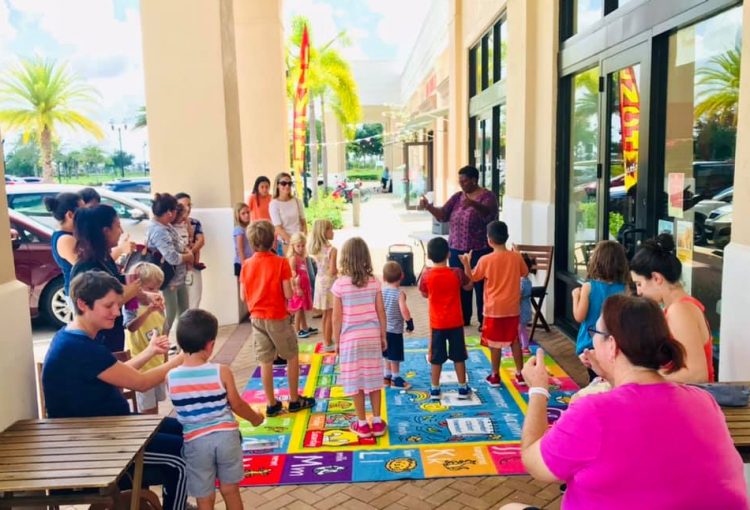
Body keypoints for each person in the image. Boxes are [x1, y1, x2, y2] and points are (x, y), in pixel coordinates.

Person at [513, 295, 747, 510]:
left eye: (595, 332)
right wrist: (612, 374)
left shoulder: (592, 413)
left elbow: (535, 463)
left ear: (612, 345)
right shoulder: (704, 402)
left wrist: (538, 389)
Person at [42, 271, 187, 510]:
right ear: (82, 304)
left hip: (109, 429)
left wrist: (149, 352)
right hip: (96, 447)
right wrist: (182, 358)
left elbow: (117, 373)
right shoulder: (79, 347)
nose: (116, 312)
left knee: (186, 433)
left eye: (117, 305)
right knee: (182, 456)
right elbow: (141, 383)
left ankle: (175, 501)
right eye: (108, 306)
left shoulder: (73, 337)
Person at [167, 309, 264, 510]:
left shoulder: (171, 377)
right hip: (227, 439)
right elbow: (237, 404)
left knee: (204, 498)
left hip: (195, 442)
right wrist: (256, 418)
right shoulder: (222, 372)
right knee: (230, 490)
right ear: (210, 345)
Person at [239, 220, 315, 416]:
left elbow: (242, 296)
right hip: (278, 317)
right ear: (273, 239)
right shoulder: (280, 262)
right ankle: (294, 399)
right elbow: (288, 294)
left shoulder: (246, 265)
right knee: (291, 356)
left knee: (265, 360)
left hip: (256, 319)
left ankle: (272, 404)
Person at [419, 165, 498, 330]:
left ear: (474, 180)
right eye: (460, 181)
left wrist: (473, 204)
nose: (461, 184)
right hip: (456, 249)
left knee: (479, 285)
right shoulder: (457, 197)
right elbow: (443, 216)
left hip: (479, 250)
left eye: (464, 181)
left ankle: (484, 319)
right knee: (460, 283)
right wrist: (429, 207)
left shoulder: (488, 197)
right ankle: (464, 317)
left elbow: (489, 215)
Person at [629, 233, 714, 383]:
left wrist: (644, 378)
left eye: (639, 284)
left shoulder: (680, 310)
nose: (639, 291)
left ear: (657, 278)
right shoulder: (677, 307)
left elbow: (697, 374)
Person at [460, 221, 528, 386]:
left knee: (494, 343)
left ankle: (495, 375)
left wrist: (466, 264)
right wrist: (517, 254)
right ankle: (520, 374)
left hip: (493, 309)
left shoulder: (485, 260)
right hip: (512, 308)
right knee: (514, 340)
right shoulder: (516, 257)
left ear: (489, 240)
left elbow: (472, 279)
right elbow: (525, 273)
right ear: (506, 237)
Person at [331, 237, 387, 439]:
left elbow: (336, 317)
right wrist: (383, 334)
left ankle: (362, 423)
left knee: (355, 380)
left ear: (344, 259)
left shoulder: (339, 285)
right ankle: (378, 421)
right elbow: (381, 311)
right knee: (373, 377)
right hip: (371, 336)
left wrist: (336, 341)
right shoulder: (374, 282)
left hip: (350, 340)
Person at [70, 204, 142, 352]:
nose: (121, 231)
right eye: (118, 226)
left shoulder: (104, 258)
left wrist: (145, 295)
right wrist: (132, 290)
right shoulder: (88, 266)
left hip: (113, 332)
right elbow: (106, 302)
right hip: (100, 339)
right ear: (105, 231)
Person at [418, 237, 473, 401]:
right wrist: (467, 264)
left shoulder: (427, 275)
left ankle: (435, 388)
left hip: (437, 324)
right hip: (455, 322)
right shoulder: (456, 273)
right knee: (459, 356)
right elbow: (469, 285)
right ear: (449, 254)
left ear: (429, 256)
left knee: (436, 358)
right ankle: (462, 387)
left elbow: (423, 293)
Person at [572, 240, 629, 377]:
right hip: (614, 343)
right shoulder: (625, 289)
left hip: (590, 343)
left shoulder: (589, 287)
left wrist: (575, 297)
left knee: (594, 380)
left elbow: (579, 316)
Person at [148, 193, 194, 337]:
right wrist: (188, 256)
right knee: (170, 315)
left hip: (178, 277)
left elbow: (180, 243)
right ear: (168, 213)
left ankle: (183, 348)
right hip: (168, 280)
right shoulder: (159, 231)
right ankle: (162, 347)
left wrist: (186, 251)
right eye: (174, 210)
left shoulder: (166, 226)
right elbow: (172, 257)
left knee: (184, 314)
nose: (176, 214)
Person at [124, 262, 167, 414]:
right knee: (147, 410)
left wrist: (166, 363)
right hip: (141, 366)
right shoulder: (132, 305)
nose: (155, 292)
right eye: (150, 289)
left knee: (155, 405)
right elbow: (130, 326)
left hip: (157, 363)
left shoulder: (159, 303)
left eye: (157, 288)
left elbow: (163, 329)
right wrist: (148, 311)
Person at [381, 261, 414, 389]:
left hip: (383, 330)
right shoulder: (400, 294)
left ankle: (386, 377)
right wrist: (409, 322)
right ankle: (395, 379)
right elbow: (403, 309)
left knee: (386, 354)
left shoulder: (382, 292)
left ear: (383, 278)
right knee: (395, 356)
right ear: (402, 276)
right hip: (395, 330)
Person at [44, 192, 83, 298]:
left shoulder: (71, 234)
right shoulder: (65, 239)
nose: (86, 214)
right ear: (70, 215)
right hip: (79, 293)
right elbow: (85, 267)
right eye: (83, 211)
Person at [309, 219, 337, 351]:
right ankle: (328, 342)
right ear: (323, 232)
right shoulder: (332, 250)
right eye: (330, 229)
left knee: (325, 314)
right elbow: (332, 271)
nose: (333, 231)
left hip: (319, 282)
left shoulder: (315, 249)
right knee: (331, 314)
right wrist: (340, 271)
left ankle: (326, 339)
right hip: (330, 284)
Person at [175, 192, 206, 307]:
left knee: (194, 301)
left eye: (189, 205)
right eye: (183, 205)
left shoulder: (194, 222)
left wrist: (189, 254)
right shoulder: (170, 224)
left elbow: (201, 241)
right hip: (176, 269)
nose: (187, 209)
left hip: (192, 266)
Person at [269, 172, 306, 256]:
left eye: (290, 183)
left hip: (300, 244)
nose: (287, 186)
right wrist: (293, 243)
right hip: (285, 243)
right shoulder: (274, 204)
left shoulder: (297, 201)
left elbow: (303, 222)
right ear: (277, 185)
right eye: (283, 183)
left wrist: (302, 240)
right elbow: (278, 228)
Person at [287, 232, 316, 338]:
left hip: (304, 287)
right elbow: (292, 274)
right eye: (298, 246)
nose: (300, 248)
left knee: (302, 308)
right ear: (293, 246)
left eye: (303, 245)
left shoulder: (302, 257)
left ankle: (305, 327)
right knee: (298, 309)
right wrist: (296, 287)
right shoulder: (293, 258)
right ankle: (297, 329)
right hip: (298, 288)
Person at [519, 253, 535, 355]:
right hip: (524, 308)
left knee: (520, 329)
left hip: (521, 310)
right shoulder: (526, 280)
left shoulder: (522, 282)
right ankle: (522, 345)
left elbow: (518, 296)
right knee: (521, 329)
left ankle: (525, 347)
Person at [233, 202, 252, 277]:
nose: (246, 215)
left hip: (249, 261)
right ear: (238, 215)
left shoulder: (248, 228)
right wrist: (244, 265)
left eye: (248, 212)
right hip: (242, 263)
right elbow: (240, 249)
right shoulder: (239, 230)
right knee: (243, 287)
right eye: (243, 213)